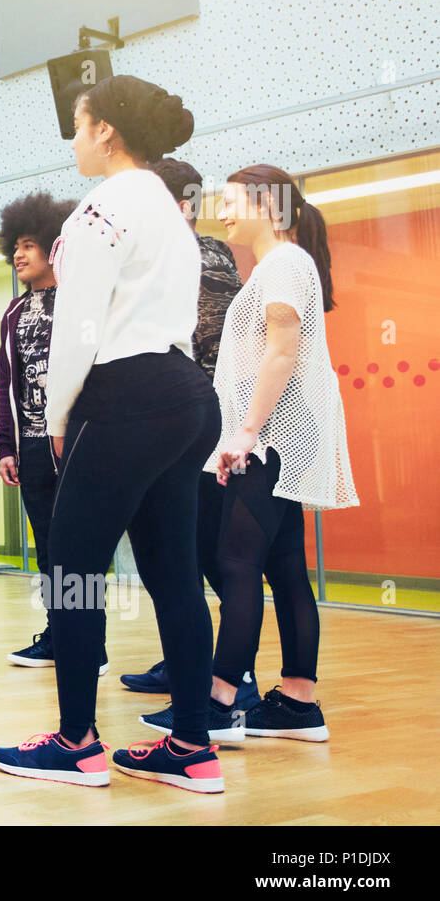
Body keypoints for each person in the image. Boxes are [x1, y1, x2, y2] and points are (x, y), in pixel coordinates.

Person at [0, 74, 226, 793]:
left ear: (107, 133)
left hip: (126, 395)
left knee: (70, 562)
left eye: (79, 123)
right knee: (174, 574)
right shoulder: (166, 205)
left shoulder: (100, 207)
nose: (73, 138)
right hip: (187, 396)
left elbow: (78, 327)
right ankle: (192, 746)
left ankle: (76, 743)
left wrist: (57, 418)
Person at [143, 165, 355, 743]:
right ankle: (296, 703)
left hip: (271, 438)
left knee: (238, 565)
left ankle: (221, 702)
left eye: (233, 201)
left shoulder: (284, 263)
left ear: (268, 203)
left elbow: (281, 354)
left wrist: (246, 432)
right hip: (282, 436)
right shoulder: (279, 265)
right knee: (284, 567)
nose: (224, 212)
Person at [120, 159, 257, 710]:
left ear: (180, 206)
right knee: (184, 555)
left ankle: (232, 674)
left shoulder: (200, 258)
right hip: (189, 427)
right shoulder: (189, 256)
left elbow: (197, 348)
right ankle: (188, 660)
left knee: (208, 555)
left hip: (207, 429)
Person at [0, 193, 97, 670]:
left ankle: (89, 646)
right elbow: (7, 384)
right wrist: (5, 447)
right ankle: (59, 636)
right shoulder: (12, 314)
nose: (18, 254)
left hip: (77, 443)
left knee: (81, 547)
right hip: (31, 448)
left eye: (29, 244)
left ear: (54, 247)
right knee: (49, 547)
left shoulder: (82, 302)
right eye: (15, 246)